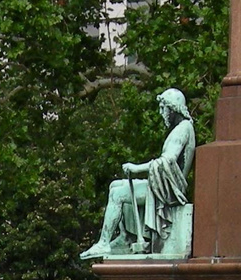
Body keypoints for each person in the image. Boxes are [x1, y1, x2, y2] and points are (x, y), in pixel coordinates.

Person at [81, 88, 198, 260]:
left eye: (163, 108)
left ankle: (103, 243)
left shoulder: (183, 129)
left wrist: (137, 168)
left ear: (172, 109)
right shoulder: (182, 128)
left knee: (117, 194)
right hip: (163, 185)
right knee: (115, 185)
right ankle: (125, 237)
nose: (161, 113)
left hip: (168, 191)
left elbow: (167, 161)